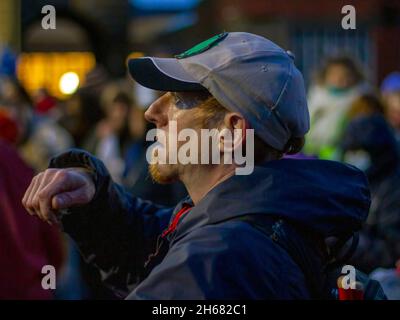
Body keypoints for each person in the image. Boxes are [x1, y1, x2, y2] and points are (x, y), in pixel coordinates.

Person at [22, 32, 371, 299]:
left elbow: (193, 262)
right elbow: (162, 240)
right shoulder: (252, 219)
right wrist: (96, 201)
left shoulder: (221, 258)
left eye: (176, 99)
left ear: (232, 132)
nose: (152, 112)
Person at [305, 56, 369, 159]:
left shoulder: (359, 100)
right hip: (310, 152)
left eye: (346, 75)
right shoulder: (316, 97)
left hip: (343, 156)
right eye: (334, 74)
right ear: (325, 76)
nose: (339, 78)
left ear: (355, 76)